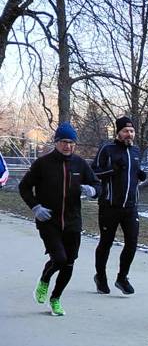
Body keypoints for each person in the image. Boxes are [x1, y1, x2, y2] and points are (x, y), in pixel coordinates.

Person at [18, 122, 100, 316]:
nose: (68, 146)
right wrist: (36, 207)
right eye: (64, 141)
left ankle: (56, 298)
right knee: (60, 259)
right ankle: (44, 280)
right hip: (49, 221)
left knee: (69, 262)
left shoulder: (80, 164)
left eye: (71, 142)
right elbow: (24, 187)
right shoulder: (43, 164)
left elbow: (97, 183)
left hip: (73, 221)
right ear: (56, 142)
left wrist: (93, 190)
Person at [91, 116, 147, 295]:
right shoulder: (107, 149)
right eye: (125, 131)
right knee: (106, 243)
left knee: (132, 242)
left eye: (131, 131)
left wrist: (140, 173)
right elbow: (93, 172)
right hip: (110, 205)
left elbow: (133, 172)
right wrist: (112, 169)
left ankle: (122, 278)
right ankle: (100, 277)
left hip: (131, 207)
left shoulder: (136, 151)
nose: (129, 134)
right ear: (118, 133)